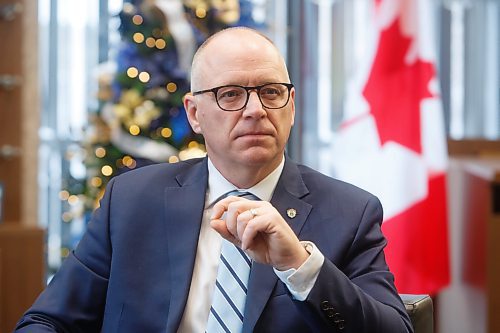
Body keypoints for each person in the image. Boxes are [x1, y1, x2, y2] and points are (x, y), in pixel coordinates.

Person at [16, 27, 413, 333]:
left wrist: (300, 264)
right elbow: (48, 321)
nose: (256, 109)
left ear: (291, 106)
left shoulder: (349, 212)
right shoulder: (132, 200)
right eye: (230, 94)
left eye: (271, 92)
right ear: (193, 113)